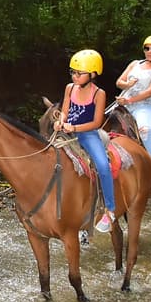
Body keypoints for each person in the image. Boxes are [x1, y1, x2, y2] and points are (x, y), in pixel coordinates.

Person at [54, 50, 117, 233]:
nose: (75, 76)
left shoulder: (99, 93)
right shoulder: (69, 88)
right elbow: (65, 110)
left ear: (93, 74)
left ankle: (110, 209)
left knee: (103, 167)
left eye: (79, 73)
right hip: (66, 132)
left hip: (87, 134)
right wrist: (61, 121)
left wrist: (74, 128)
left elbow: (97, 122)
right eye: (72, 72)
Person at [116, 36, 151, 187]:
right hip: (124, 101)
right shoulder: (135, 63)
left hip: (144, 105)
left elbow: (150, 91)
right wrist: (127, 84)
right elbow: (119, 82)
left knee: (145, 131)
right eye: (147, 48)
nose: (149, 52)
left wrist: (129, 101)